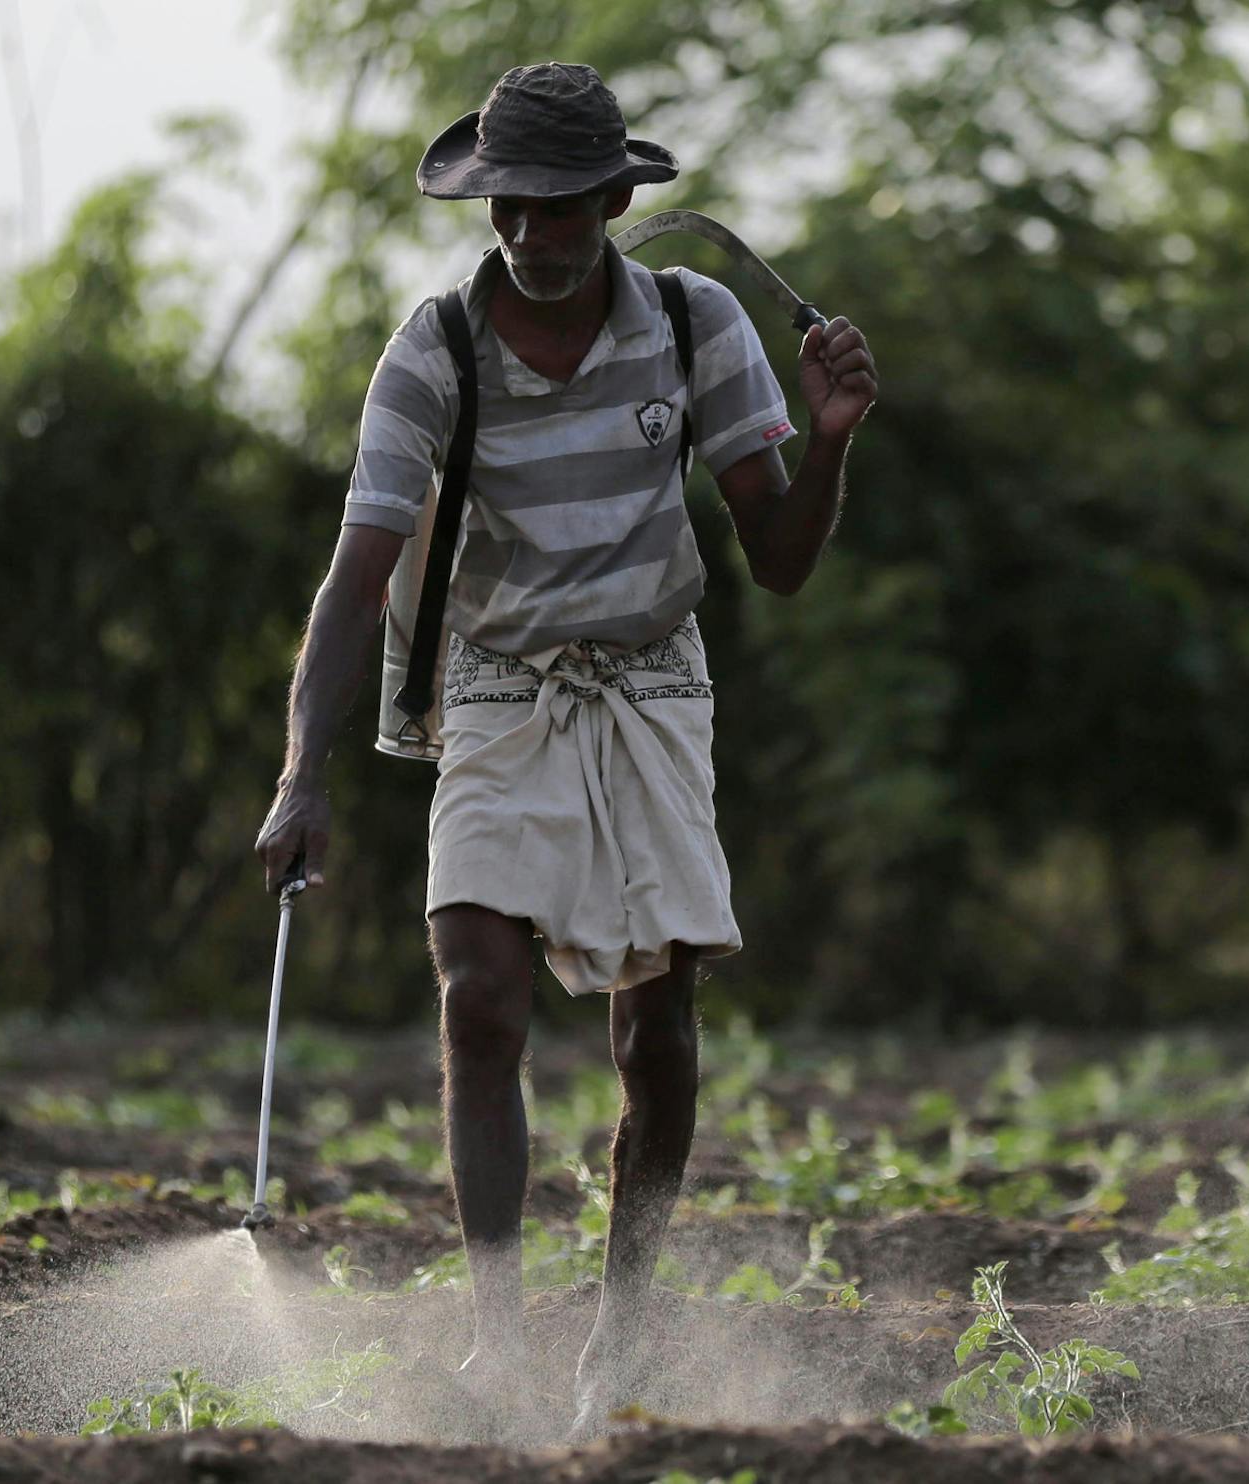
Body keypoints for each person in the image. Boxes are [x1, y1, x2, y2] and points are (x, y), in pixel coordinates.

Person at [252, 61, 877, 1438]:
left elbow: (776, 562)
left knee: (656, 1022)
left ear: (611, 198)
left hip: (654, 681)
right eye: (510, 210)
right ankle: (499, 1340)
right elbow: (356, 580)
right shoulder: (434, 350)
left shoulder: (693, 320)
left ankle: (620, 1335)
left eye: (561, 210)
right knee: (479, 990)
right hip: (495, 685)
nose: (535, 238)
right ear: (489, 206)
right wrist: (304, 778)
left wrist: (827, 446)